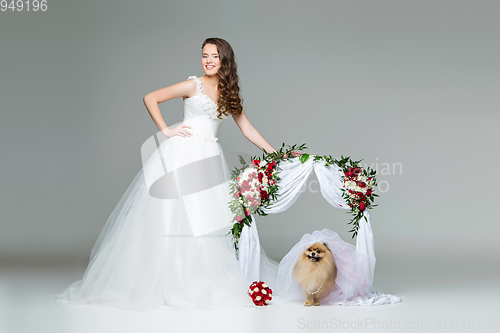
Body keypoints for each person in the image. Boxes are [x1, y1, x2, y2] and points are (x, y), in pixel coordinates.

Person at [55, 37, 301, 312]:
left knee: (201, 221)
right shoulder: (191, 84)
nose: (208, 61)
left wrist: (277, 153)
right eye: (204, 55)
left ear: (225, 61)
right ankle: (159, 281)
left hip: (208, 160)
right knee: (169, 216)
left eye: (214, 56)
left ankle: (195, 280)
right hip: (181, 155)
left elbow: (248, 130)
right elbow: (151, 98)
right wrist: (167, 130)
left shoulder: (228, 93)